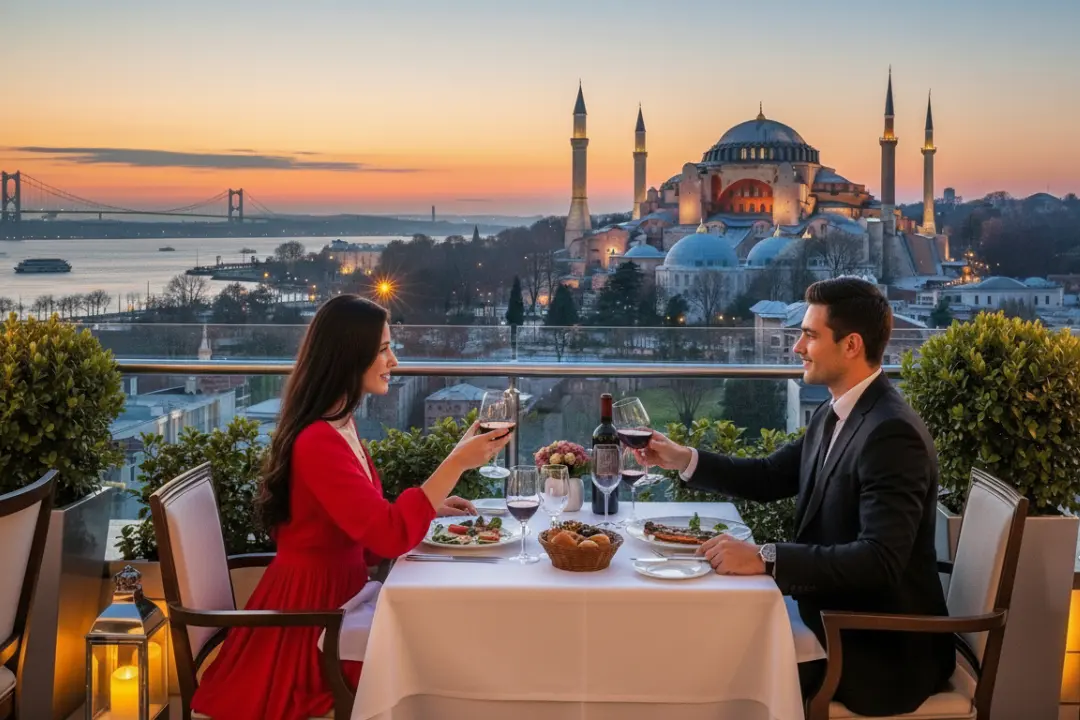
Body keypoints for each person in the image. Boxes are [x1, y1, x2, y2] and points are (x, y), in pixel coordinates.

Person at [640, 277, 955, 717]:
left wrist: (766, 558)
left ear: (851, 345)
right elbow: (771, 477)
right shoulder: (837, 409)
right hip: (828, 619)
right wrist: (683, 459)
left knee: (711, 668)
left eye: (809, 335)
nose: (796, 348)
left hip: (877, 649)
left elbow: (879, 560)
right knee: (701, 644)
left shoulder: (891, 433)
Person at [191, 294, 512, 720]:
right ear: (349, 355)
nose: (393, 360)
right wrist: (455, 464)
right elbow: (388, 536)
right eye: (382, 349)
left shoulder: (337, 426)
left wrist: (430, 505)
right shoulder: (319, 441)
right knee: (440, 664)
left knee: (442, 651)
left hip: (338, 604)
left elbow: (368, 523)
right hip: (312, 630)